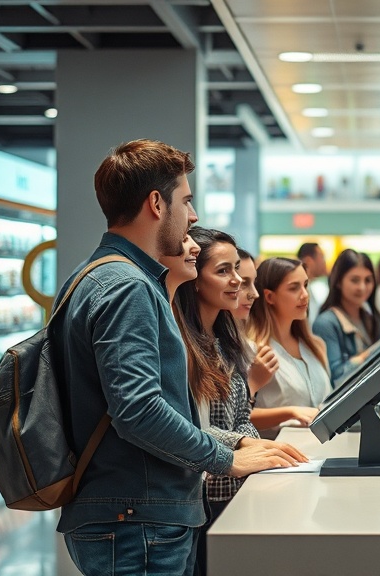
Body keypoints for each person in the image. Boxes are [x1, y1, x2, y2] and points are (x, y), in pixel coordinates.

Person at [51, 140, 298, 575]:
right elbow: (138, 410)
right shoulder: (128, 286)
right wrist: (225, 457)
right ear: (155, 204)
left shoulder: (93, 275)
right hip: (139, 520)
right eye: (185, 200)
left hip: (130, 515)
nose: (193, 215)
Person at [171, 228, 306, 576]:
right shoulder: (181, 345)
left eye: (239, 272)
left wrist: (257, 447)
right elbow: (189, 428)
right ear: (195, 279)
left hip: (230, 490)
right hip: (204, 496)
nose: (239, 284)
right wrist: (246, 443)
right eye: (225, 271)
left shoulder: (221, 340)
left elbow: (240, 415)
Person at [247, 257, 333, 438]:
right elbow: (240, 416)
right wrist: (290, 412)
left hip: (323, 447)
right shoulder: (254, 350)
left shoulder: (316, 346)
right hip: (278, 449)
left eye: (306, 285)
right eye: (294, 288)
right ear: (270, 297)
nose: (305, 294)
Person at [313, 249, 380, 380]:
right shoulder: (326, 323)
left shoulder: (370, 317)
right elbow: (336, 376)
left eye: (368, 280)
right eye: (355, 280)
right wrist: (368, 356)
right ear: (338, 282)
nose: (362, 287)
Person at [234, 248, 280, 402]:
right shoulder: (209, 346)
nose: (255, 294)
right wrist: (252, 383)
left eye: (254, 283)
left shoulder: (247, 346)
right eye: (243, 283)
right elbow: (222, 415)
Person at [298, 242, 328, 325]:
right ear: (309, 261)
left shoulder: (313, 287)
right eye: (322, 257)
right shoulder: (300, 292)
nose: (324, 262)